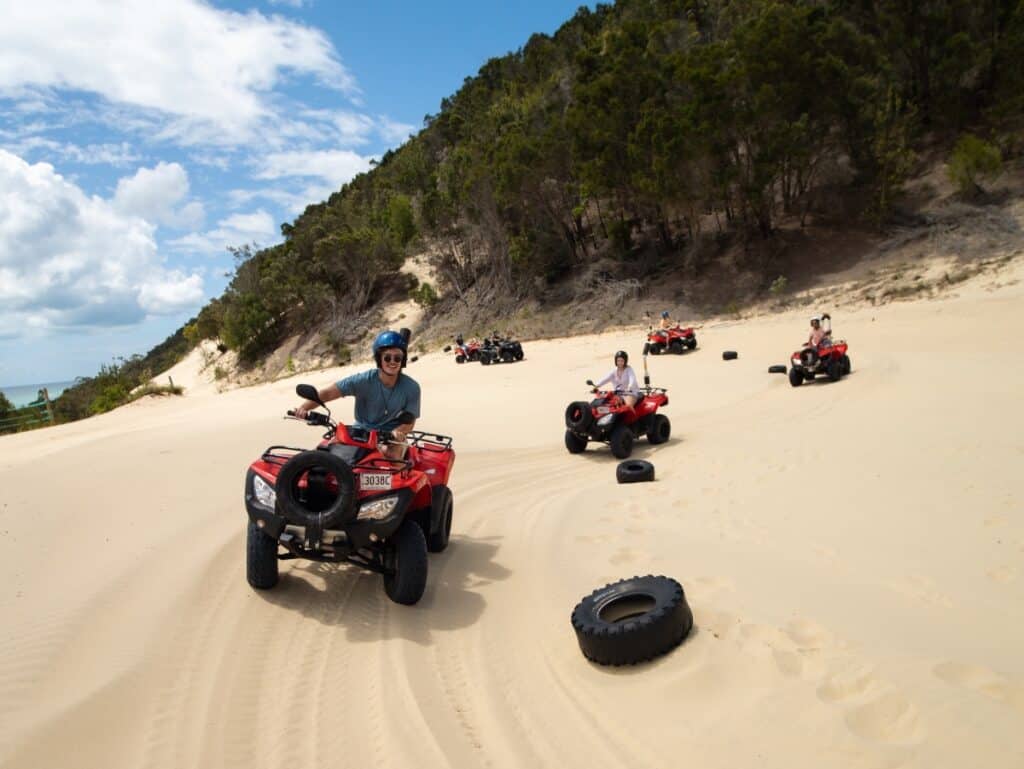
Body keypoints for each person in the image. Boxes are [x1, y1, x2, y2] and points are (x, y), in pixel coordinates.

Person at [293, 330, 421, 457]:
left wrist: (397, 432)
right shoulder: (363, 381)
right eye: (387, 357)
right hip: (360, 432)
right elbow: (328, 393)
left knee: (392, 456)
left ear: (402, 361)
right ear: (379, 358)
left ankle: (398, 476)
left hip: (390, 437)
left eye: (397, 358)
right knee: (323, 455)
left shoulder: (412, 388)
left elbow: (409, 422)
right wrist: (303, 408)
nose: (392, 361)